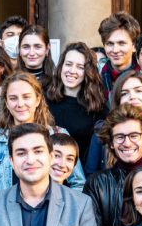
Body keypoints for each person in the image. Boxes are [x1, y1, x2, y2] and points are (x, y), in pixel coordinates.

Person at [0, 72, 73, 192]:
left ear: (37, 100)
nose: (20, 104)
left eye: (26, 97)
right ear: (6, 103)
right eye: (13, 98)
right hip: (5, 209)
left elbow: (78, 183)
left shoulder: (58, 134)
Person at [85, 70, 142, 177]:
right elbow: (91, 176)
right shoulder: (102, 131)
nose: (132, 97)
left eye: (138, 91)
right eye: (125, 93)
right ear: (117, 100)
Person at [46, 42, 108, 172]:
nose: (72, 71)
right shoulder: (44, 99)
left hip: (79, 177)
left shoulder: (97, 109)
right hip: (45, 172)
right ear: (61, 66)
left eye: (80, 67)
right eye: (68, 64)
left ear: (88, 72)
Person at [97, 12, 141, 94]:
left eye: (121, 43)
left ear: (134, 46)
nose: (115, 50)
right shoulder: (95, 78)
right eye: (110, 44)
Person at [18, 25, 55, 89]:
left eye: (37, 47)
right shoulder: (11, 81)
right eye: (26, 47)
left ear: (47, 49)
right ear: (19, 49)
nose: (31, 53)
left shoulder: (57, 82)